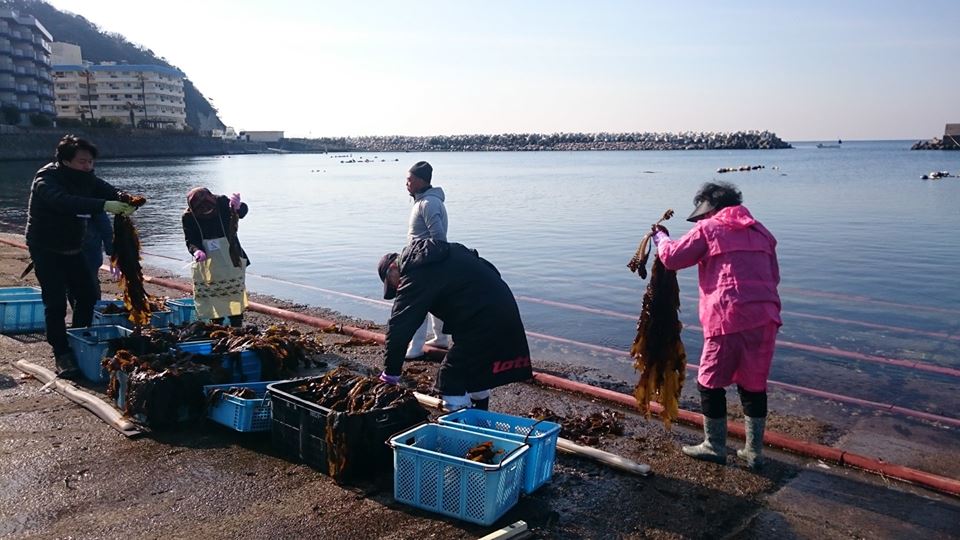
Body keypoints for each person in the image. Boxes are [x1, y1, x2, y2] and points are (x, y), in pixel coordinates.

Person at [653, 181, 781, 469]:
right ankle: (754, 452)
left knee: (709, 382)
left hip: (728, 315)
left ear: (710, 209)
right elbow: (773, 277)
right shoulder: (762, 232)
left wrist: (660, 238)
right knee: (754, 383)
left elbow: (672, 258)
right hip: (766, 317)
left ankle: (714, 445)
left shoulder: (708, 229)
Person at [25, 135, 139, 379]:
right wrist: (104, 206)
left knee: (87, 295)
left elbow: (109, 190)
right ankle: (61, 352)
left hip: (73, 247)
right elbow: (63, 202)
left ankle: (78, 336)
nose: (87, 167)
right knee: (54, 302)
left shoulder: (88, 179)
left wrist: (126, 199)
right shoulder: (46, 179)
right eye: (82, 162)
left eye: (90, 162)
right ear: (65, 161)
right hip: (45, 247)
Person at [377, 239, 533, 411]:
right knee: (475, 372)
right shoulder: (443, 253)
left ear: (393, 268)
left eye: (393, 284)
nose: (398, 288)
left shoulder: (416, 272)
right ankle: (481, 421)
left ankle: (465, 429)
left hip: (483, 320)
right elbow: (487, 270)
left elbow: (400, 325)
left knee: (450, 377)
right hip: (504, 308)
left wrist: (391, 373)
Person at [181, 187, 249, 327]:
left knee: (234, 293)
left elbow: (241, 213)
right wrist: (196, 251)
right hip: (207, 260)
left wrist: (238, 206)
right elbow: (190, 240)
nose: (206, 211)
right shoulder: (188, 217)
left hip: (232, 255)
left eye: (209, 209)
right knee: (212, 293)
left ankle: (236, 322)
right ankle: (216, 323)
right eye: (202, 211)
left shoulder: (222, 202)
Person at [402, 160, 451, 357]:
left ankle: (416, 347)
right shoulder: (422, 201)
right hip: (423, 260)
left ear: (421, 181)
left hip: (425, 262)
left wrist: (421, 260)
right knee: (435, 302)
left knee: (417, 304)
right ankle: (440, 338)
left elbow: (438, 238)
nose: (406, 183)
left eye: (409, 179)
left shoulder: (429, 204)